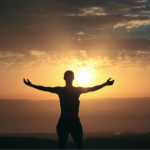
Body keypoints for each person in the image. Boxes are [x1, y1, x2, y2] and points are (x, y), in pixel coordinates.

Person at [23, 70, 114, 149]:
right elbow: (92, 89)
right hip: (73, 123)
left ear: (64, 78)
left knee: (63, 147)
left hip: (64, 124)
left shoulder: (61, 90)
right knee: (79, 146)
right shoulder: (77, 90)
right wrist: (105, 84)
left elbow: (45, 88)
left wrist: (30, 85)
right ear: (73, 78)